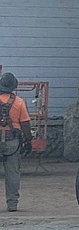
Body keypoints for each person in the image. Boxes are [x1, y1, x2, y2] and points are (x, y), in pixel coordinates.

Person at [0, 72, 31, 212]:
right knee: (12, 174)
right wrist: (29, 141)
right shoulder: (19, 102)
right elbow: (25, 124)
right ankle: (12, 204)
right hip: (12, 141)